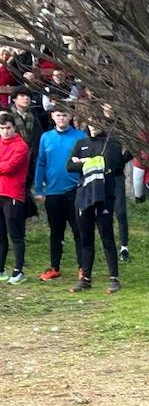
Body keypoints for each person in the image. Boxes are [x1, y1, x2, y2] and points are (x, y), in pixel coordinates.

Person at [65, 108, 129, 294]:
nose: (93, 127)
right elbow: (69, 165)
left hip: (104, 196)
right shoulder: (81, 143)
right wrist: (91, 161)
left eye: (97, 123)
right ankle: (85, 278)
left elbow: (109, 163)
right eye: (90, 123)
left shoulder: (112, 143)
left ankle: (114, 278)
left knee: (106, 237)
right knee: (86, 238)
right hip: (84, 196)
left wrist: (84, 161)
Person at [31, 105, 85, 282]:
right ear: (52, 116)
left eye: (64, 115)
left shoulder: (80, 137)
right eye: (58, 115)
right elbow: (41, 164)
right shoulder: (46, 137)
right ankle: (55, 267)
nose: (61, 118)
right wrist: (38, 189)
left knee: (79, 230)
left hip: (76, 191)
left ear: (70, 117)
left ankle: (83, 267)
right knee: (56, 231)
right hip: (53, 192)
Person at [0, 113, 28, 283]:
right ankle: (1, 269)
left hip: (13, 194)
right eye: (2, 128)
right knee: (0, 235)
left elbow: (10, 167)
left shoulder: (21, 146)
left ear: (14, 128)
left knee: (15, 234)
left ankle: (18, 271)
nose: (5, 132)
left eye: (8, 128)